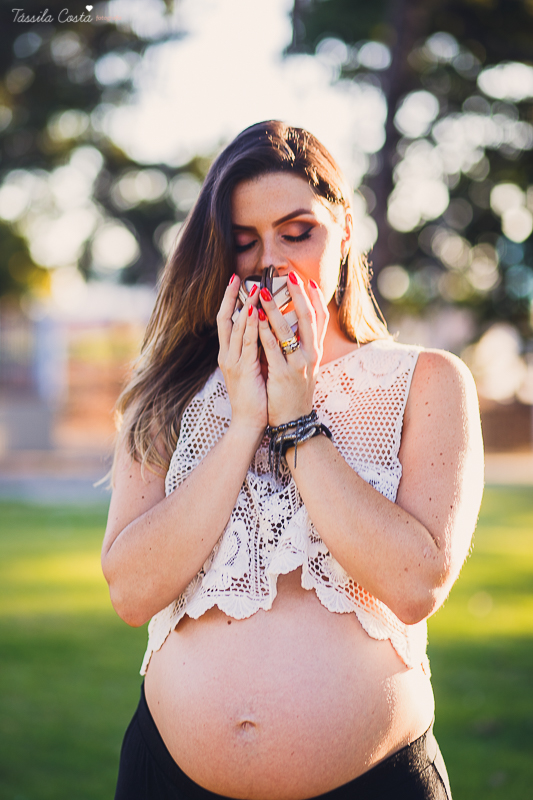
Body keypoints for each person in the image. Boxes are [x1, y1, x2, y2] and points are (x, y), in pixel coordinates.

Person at [102, 120, 484, 800]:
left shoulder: (427, 380)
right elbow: (131, 592)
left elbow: (413, 585)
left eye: (297, 230)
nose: (271, 261)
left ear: (343, 229)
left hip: (373, 782)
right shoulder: (165, 391)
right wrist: (245, 419)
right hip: (168, 777)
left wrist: (296, 416)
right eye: (244, 242)